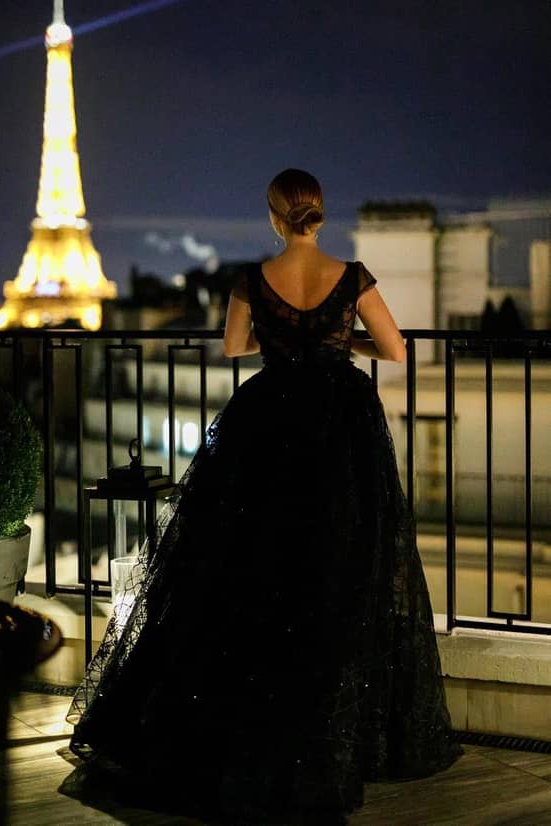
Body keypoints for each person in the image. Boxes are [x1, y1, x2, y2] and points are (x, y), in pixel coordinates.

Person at [67, 168, 463, 824]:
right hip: (339, 432)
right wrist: (340, 342)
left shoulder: (251, 279)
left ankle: (247, 729)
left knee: (248, 576)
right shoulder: (353, 275)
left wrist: (291, 343)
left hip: (270, 424)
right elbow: (394, 350)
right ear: (320, 214)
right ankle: (321, 743)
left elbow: (232, 347)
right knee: (332, 577)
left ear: (276, 217)